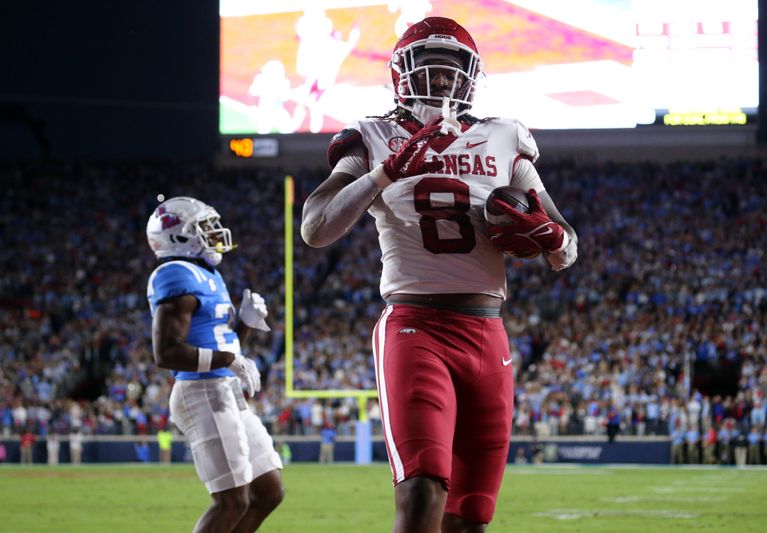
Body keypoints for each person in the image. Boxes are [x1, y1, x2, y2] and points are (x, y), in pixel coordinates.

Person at [301, 16, 578, 532]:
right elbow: (316, 227)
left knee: (471, 515)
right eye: (430, 67)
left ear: (470, 77)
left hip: (487, 331)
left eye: (452, 69)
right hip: (416, 325)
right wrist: (387, 171)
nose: (443, 78)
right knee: (424, 488)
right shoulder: (373, 135)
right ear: (403, 75)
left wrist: (548, 236)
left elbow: (566, 246)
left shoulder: (504, 137)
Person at [146, 196, 284, 533]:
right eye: (202, 227)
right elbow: (166, 353)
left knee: (268, 491)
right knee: (231, 500)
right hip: (201, 391)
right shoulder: (174, 272)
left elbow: (219, 344)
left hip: (223, 388)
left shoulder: (208, 273)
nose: (213, 232)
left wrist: (245, 325)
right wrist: (229, 359)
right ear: (178, 236)